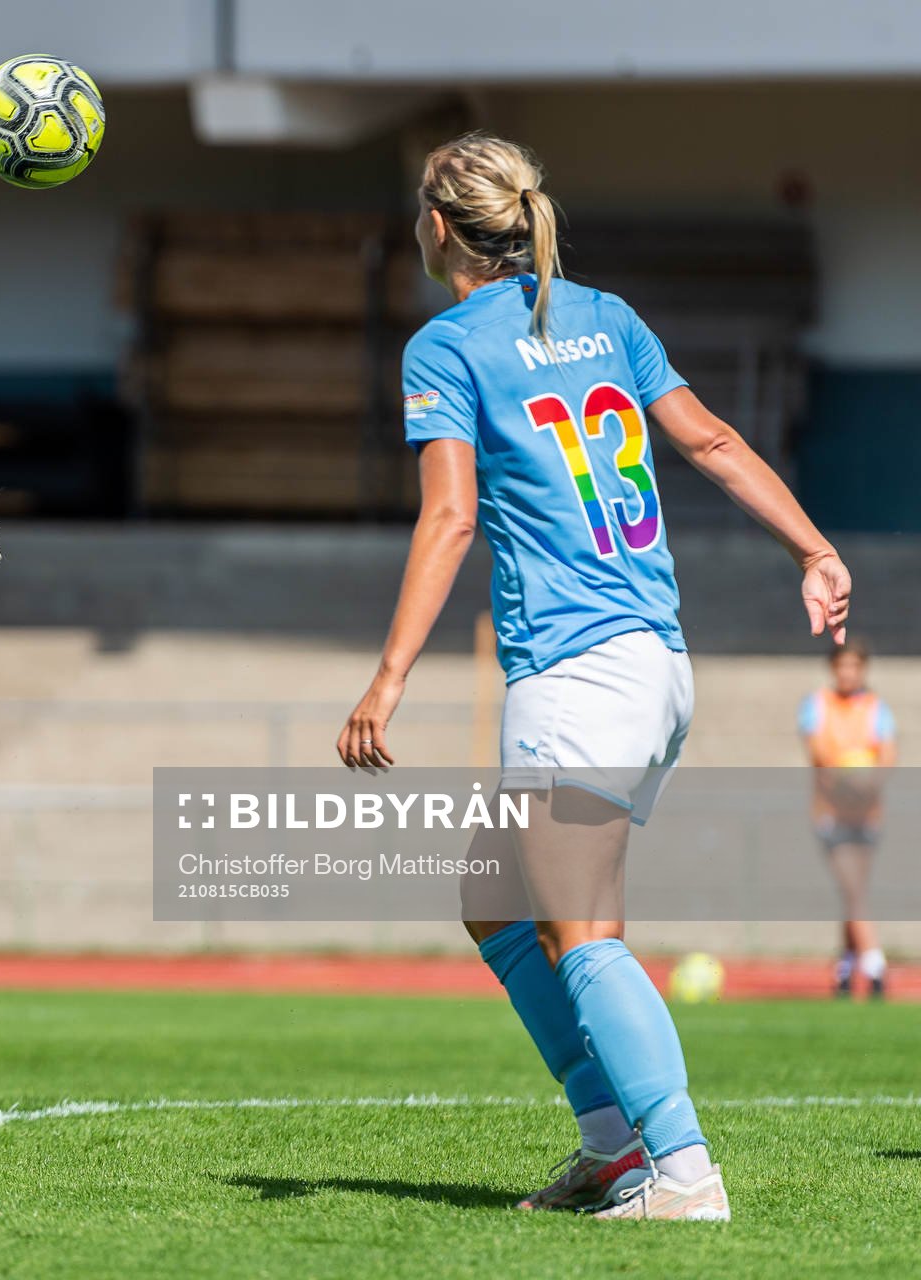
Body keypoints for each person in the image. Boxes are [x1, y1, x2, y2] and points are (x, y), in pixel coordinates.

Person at [336, 132, 850, 1221]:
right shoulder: (605, 316)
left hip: (574, 670)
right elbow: (709, 441)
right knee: (494, 896)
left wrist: (387, 679)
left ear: (438, 229)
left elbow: (452, 514)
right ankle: (614, 1144)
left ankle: (683, 1169)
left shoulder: (444, 345)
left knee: (580, 926)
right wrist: (814, 547)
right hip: (655, 663)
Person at [800, 639, 897, 998]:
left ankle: (844, 968)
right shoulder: (816, 705)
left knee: (853, 893)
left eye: (854, 666)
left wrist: (870, 783)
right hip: (831, 814)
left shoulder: (876, 708)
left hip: (868, 815)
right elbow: (819, 753)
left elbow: (887, 754)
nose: (848, 673)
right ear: (833, 669)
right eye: (842, 666)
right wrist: (847, 782)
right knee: (854, 889)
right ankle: (874, 964)